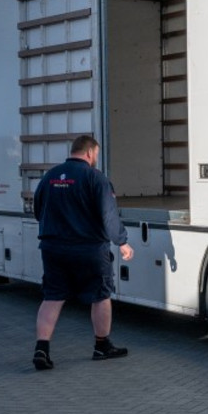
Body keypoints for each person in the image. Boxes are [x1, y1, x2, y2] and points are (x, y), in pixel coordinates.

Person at [30, 134, 134, 370]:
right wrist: (122, 242)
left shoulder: (50, 176)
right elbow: (109, 216)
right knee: (100, 295)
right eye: (96, 154)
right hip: (88, 249)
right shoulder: (95, 178)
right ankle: (102, 345)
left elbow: (38, 210)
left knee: (53, 297)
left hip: (53, 248)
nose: (96, 158)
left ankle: (41, 349)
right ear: (89, 153)